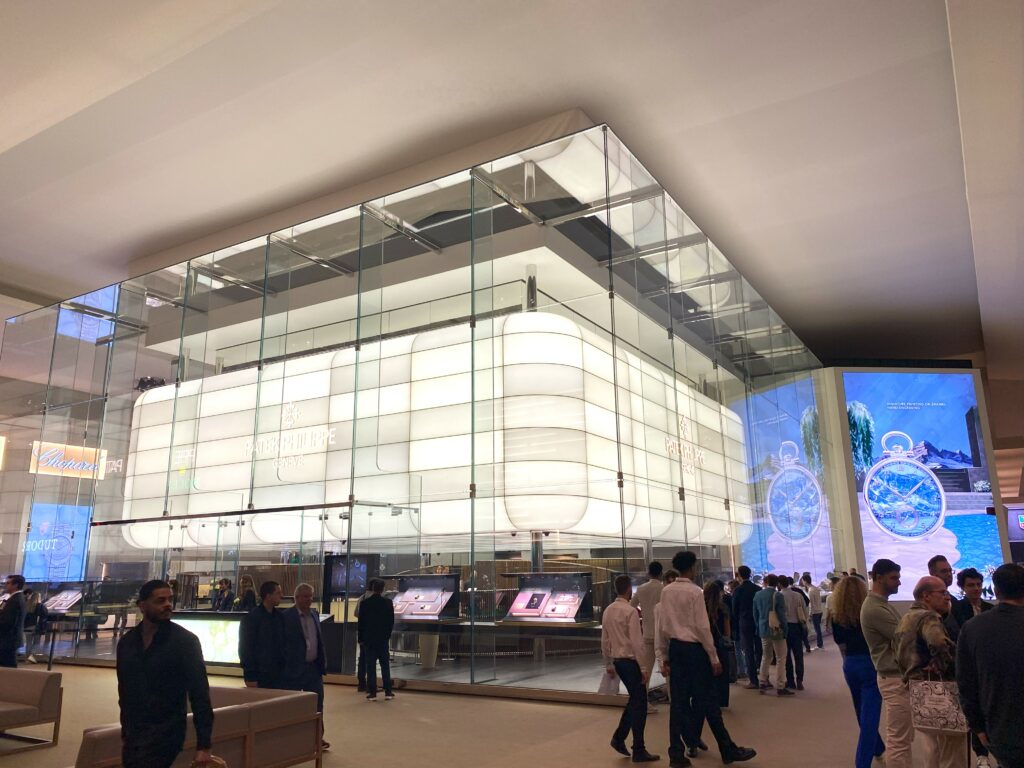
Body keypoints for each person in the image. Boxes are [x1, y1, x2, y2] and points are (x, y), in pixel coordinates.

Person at [656, 551, 756, 766]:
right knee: (708, 699)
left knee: (678, 704)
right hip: (695, 651)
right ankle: (728, 749)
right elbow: (702, 627)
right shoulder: (694, 592)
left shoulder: (666, 592)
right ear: (691, 567)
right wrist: (713, 656)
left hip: (676, 649)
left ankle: (676, 754)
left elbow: (662, 625)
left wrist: (663, 655)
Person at [116, 580, 213, 768]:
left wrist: (204, 744)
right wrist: (126, 730)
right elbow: (124, 691)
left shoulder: (185, 642)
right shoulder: (127, 643)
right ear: (142, 606)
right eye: (160, 600)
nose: (168, 604)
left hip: (167, 731)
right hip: (135, 732)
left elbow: (200, 694)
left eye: (170, 599)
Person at [893, 576, 966, 767]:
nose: (947, 597)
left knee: (932, 747)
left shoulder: (905, 618)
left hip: (917, 690)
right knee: (952, 746)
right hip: (940, 689)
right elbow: (938, 642)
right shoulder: (928, 617)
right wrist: (948, 663)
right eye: (942, 593)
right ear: (926, 596)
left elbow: (898, 654)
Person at [957, 563, 1024, 768]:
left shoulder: (972, 628)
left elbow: (966, 683)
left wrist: (977, 727)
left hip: (1001, 728)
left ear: (995, 590)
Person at [860, 558, 912, 768]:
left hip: (897, 677)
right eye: (894, 578)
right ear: (878, 578)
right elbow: (906, 638)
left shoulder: (882, 605)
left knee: (903, 738)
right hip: (893, 678)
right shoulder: (874, 608)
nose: (898, 582)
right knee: (899, 740)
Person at [831, 576, 885, 768]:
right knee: (870, 716)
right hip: (869, 663)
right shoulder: (868, 612)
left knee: (860, 710)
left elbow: (841, 644)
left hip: (850, 664)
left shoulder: (836, 615)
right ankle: (862, 763)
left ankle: (878, 748)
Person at [604, 574, 659, 762]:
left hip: (618, 661)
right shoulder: (630, 612)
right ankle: (638, 748)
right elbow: (637, 642)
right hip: (630, 661)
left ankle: (620, 738)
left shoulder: (608, 610)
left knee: (635, 700)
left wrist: (608, 663)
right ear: (629, 590)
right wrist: (644, 668)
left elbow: (605, 639)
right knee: (640, 702)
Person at [282, 583, 330, 751]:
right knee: (292, 705)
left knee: (317, 704)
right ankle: (290, 738)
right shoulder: (286, 617)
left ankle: (317, 737)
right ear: (296, 598)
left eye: (311, 596)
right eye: (305, 597)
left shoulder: (315, 615)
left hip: (313, 668)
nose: (309, 600)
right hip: (294, 668)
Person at [239, 580, 285, 689]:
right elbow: (246, 648)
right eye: (278, 593)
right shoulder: (252, 618)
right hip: (260, 674)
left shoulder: (280, 617)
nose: (281, 596)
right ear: (268, 596)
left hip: (278, 674)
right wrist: (250, 675)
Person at [631, 561, 664, 712]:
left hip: (647, 633)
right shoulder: (664, 589)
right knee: (669, 670)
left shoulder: (641, 589)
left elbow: (631, 606)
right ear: (661, 573)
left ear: (649, 573)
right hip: (662, 635)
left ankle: (643, 704)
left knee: (646, 672)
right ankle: (677, 703)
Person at [752, 574, 791, 696]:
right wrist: (785, 629)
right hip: (776, 630)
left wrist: (759, 626)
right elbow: (781, 615)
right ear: (777, 583)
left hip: (763, 629)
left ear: (765, 582)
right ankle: (780, 685)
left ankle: (762, 682)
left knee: (766, 656)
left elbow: (755, 614)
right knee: (780, 658)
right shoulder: (778, 595)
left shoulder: (758, 595)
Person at [357, 578, 394, 701]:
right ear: (383, 589)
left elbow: (361, 623)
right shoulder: (388, 603)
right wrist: (387, 636)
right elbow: (390, 622)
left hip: (369, 639)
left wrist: (360, 638)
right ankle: (388, 691)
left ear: (372, 588)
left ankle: (372, 692)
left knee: (370, 666)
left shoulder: (365, 603)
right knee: (385, 665)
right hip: (382, 639)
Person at [731, 565, 762, 691]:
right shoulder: (758, 588)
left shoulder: (738, 590)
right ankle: (763, 674)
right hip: (758, 621)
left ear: (739, 575)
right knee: (759, 648)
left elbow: (734, 610)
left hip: (744, 623)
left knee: (748, 650)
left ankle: (753, 680)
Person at [779, 575, 807, 689]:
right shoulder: (798, 595)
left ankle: (790, 681)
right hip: (797, 626)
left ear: (779, 584)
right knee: (798, 654)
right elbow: (804, 609)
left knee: (786, 656)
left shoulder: (779, 595)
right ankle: (800, 680)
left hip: (785, 627)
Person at [927, 555, 961, 640]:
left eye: (950, 570)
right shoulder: (927, 600)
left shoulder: (954, 600)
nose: (949, 574)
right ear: (933, 574)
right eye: (944, 571)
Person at [0, 574, 26, 668]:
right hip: (9, 639)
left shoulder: (15, 600)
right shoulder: (16, 598)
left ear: (15, 585)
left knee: (8, 667)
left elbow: (8, 622)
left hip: (8, 640)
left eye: (8, 583)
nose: (5, 585)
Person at [353, 585, 373, 692]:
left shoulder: (361, 597)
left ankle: (361, 683)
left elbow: (356, 613)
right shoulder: (375, 599)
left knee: (362, 658)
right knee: (371, 659)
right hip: (372, 633)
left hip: (362, 632)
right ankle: (371, 685)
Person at [801, 575, 824, 649]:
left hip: (815, 612)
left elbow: (811, 604)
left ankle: (819, 644)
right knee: (818, 629)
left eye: (803, 580)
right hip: (819, 610)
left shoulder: (810, 591)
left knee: (817, 629)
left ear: (805, 581)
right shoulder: (815, 588)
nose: (802, 582)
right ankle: (820, 643)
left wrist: (810, 614)